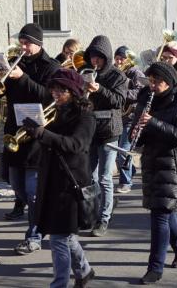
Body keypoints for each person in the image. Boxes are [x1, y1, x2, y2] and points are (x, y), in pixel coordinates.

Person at [21, 69, 96, 288]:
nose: (55, 93)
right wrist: (32, 130)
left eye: (61, 89)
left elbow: (76, 145)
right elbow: (46, 142)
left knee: (59, 238)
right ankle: (84, 271)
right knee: (64, 234)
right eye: (53, 88)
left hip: (71, 182)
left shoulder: (86, 116)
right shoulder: (53, 111)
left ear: (73, 92)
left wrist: (43, 133)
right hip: (51, 178)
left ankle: (59, 284)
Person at [0, 24, 59, 254]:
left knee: (32, 192)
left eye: (27, 43)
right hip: (14, 130)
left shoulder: (51, 67)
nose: (22, 47)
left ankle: (34, 236)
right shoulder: (16, 62)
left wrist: (22, 77)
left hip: (37, 135)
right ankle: (45, 214)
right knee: (16, 185)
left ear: (38, 44)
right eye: (21, 42)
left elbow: (48, 96)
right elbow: (3, 92)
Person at [134, 62, 177, 284]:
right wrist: (137, 132)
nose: (152, 85)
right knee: (166, 212)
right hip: (152, 162)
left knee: (160, 214)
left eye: (156, 82)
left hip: (174, 165)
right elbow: (143, 134)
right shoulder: (148, 102)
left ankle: (155, 268)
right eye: (150, 81)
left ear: (168, 82)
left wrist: (154, 123)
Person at [83, 35, 128, 236]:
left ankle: (104, 219)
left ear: (107, 58)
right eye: (92, 57)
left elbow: (119, 101)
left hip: (109, 131)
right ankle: (95, 211)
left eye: (99, 58)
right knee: (90, 176)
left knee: (104, 177)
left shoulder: (118, 76)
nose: (95, 61)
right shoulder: (85, 72)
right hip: (90, 130)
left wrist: (99, 89)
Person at [114, 46, 146, 194]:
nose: (119, 61)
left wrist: (122, 93)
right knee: (117, 152)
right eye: (117, 58)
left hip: (130, 117)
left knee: (122, 152)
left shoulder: (135, 72)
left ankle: (126, 182)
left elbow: (141, 91)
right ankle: (130, 170)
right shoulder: (114, 71)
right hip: (117, 117)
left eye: (122, 58)